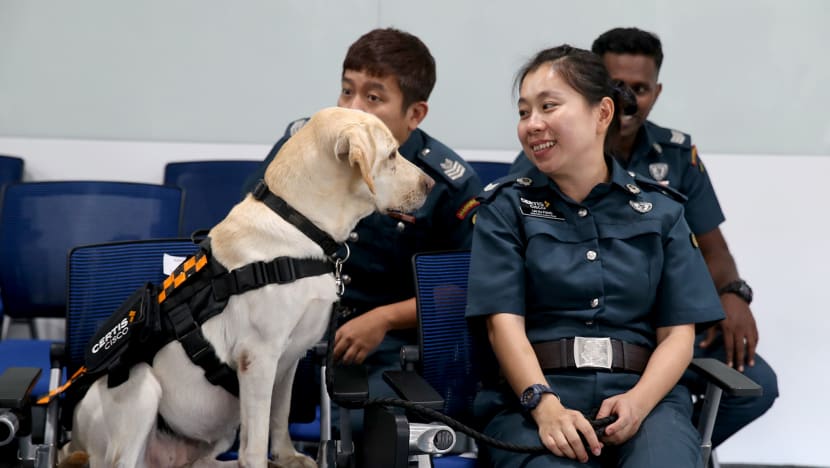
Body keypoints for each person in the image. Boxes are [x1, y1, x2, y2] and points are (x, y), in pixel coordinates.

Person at [510, 27, 778, 447]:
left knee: (753, 382)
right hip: (573, 342)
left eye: (641, 88)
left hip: (656, 333)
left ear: (657, 90)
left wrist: (733, 295)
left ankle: (660, 438)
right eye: (617, 85)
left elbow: (712, 249)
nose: (629, 99)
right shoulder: (545, 156)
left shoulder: (674, 156)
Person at [466, 44, 724, 467]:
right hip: (533, 401)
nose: (533, 124)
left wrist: (640, 403)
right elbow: (502, 326)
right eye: (524, 112)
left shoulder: (662, 211)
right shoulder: (505, 208)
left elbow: (679, 334)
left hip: (646, 400)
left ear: (602, 114)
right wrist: (544, 405)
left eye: (548, 106)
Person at [241, 26, 482, 449]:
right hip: (289, 328)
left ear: (415, 114)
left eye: (373, 98)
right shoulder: (306, 145)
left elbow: (464, 285)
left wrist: (385, 319)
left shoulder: (444, 181)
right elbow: (252, 226)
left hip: (384, 346)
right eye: (346, 91)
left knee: (373, 439)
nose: (353, 108)